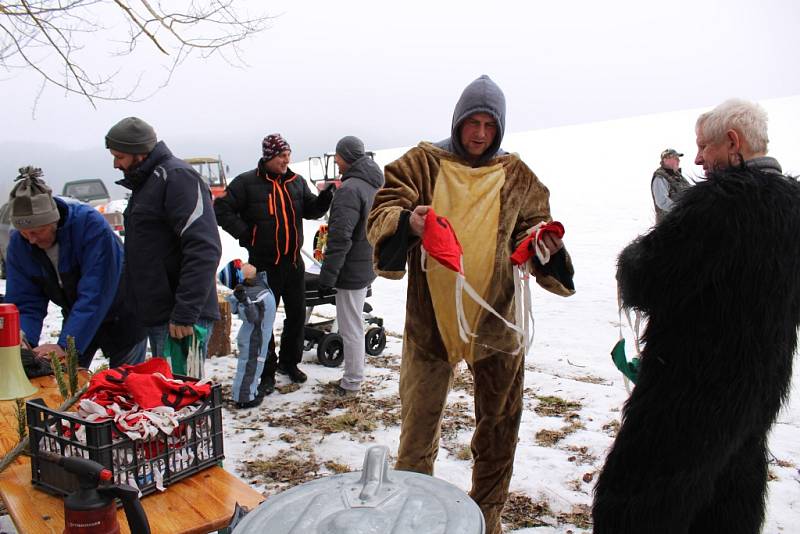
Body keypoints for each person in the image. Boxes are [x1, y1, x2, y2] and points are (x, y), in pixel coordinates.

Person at [367, 75, 575, 534]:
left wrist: (540, 245)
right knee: (418, 428)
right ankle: (414, 515)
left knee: (499, 430)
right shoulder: (421, 164)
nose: (479, 133)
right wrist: (409, 221)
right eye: (471, 123)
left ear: (499, 128)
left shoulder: (517, 174)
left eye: (488, 124)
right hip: (432, 323)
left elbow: (535, 223)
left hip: (497, 323)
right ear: (458, 121)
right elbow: (382, 211)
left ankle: (486, 518)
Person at [593, 99, 800, 533]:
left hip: (691, 397)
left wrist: (631, 257)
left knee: (633, 507)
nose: (700, 159)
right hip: (756, 397)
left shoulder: (719, 204)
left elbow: (647, 278)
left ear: (732, 142)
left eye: (704, 147)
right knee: (727, 506)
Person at [215, 134, 333, 393]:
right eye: (281, 156)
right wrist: (248, 234)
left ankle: (289, 364)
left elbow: (311, 209)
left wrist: (325, 197)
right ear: (269, 157)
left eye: (288, 154)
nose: (286, 160)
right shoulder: (246, 183)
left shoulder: (296, 181)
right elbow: (221, 209)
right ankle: (266, 372)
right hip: (263, 266)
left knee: (296, 316)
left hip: (293, 264)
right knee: (263, 320)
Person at [106, 117, 221, 378]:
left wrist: (185, 312)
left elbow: (204, 247)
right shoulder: (148, 182)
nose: (115, 164)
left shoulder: (177, 177)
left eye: (120, 156)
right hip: (159, 313)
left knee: (181, 398)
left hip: (180, 318)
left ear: (140, 152)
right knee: (168, 398)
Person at [4, 166, 146, 368]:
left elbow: (95, 293)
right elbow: (25, 301)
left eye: (37, 231)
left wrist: (66, 346)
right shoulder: (20, 244)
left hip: (124, 315)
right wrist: (23, 342)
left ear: (54, 221)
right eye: (25, 232)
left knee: (126, 386)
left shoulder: (90, 227)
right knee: (68, 385)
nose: (31, 240)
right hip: (77, 317)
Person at [317, 136, 385, 397]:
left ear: (346, 157)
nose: (336, 162)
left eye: (338, 157)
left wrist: (328, 275)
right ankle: (353, 378)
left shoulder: (349, 190)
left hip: (350, 269)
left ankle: (352, 383)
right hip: (365, 263)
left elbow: (339, 238)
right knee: (354, 322)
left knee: (350, 327)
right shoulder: (373, 185)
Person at [219, 259, 276, 409]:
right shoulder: (249, 294)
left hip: (260, 335)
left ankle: (248, 391)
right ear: (241, 278)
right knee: (250, 366)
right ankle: (244, 397)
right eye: (241, 266)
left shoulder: (256, 284)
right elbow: (253, 317)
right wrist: (244, 300)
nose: (245, 263)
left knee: (255, 365)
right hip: (254, 337)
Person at [650, 148, 690, 223]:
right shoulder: (660, 177)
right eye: (675, 158)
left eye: (678, 158)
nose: (678, 160)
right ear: (665, 160)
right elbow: (662, 201)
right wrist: (683, 210)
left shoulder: (678, 176)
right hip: (669, 225)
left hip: (682, 222)